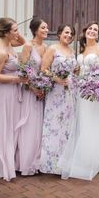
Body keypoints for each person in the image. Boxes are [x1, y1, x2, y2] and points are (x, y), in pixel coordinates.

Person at [0, 17, 27, 181]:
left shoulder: (9, 43)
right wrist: (16, 79)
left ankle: (9, 160)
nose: (18, 33)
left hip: (12, 91)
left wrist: (16, 32)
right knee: (3, 126)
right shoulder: (2, 51)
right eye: (15, 30)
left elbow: (22, 41)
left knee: (10, 126)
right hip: (5, 92)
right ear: (6, 32)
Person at [68, 21, 99, 180]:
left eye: (95, 30)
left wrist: (96, 85)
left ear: (98, 34)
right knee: (83, 122)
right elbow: (79, 70)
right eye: (90, 28)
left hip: (93, 93)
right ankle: (82, 156)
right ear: (85, 32)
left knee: (93, 123)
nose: (92, 31)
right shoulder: (82, 48)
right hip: (80, 91)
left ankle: (92, 159)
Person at [39, 24, 77, 175]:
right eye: (66, 32)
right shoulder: (52, 49)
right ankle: (51, 162)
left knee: (67, 126)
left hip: (70, 93)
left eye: (71, 33)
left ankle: (65, 160)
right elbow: (43, 69)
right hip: (56, 92)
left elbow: (74, 70)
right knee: (54, 125)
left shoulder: (72, 51)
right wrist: (56, 79)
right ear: (60, 33)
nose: (69, 35)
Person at [17, 17, 48, 175]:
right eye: (43, 28)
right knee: (29, 125)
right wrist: (33, 87)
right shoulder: (28, 46)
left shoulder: (45, 47)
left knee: (38, 126)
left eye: (47, 28)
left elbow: (45, 69)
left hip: (41, 92)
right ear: (35, 30)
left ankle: (36, 160)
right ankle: (26, 163)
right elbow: (22, 70)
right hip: (29, 91)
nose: (46, 30)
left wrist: (43, 86)